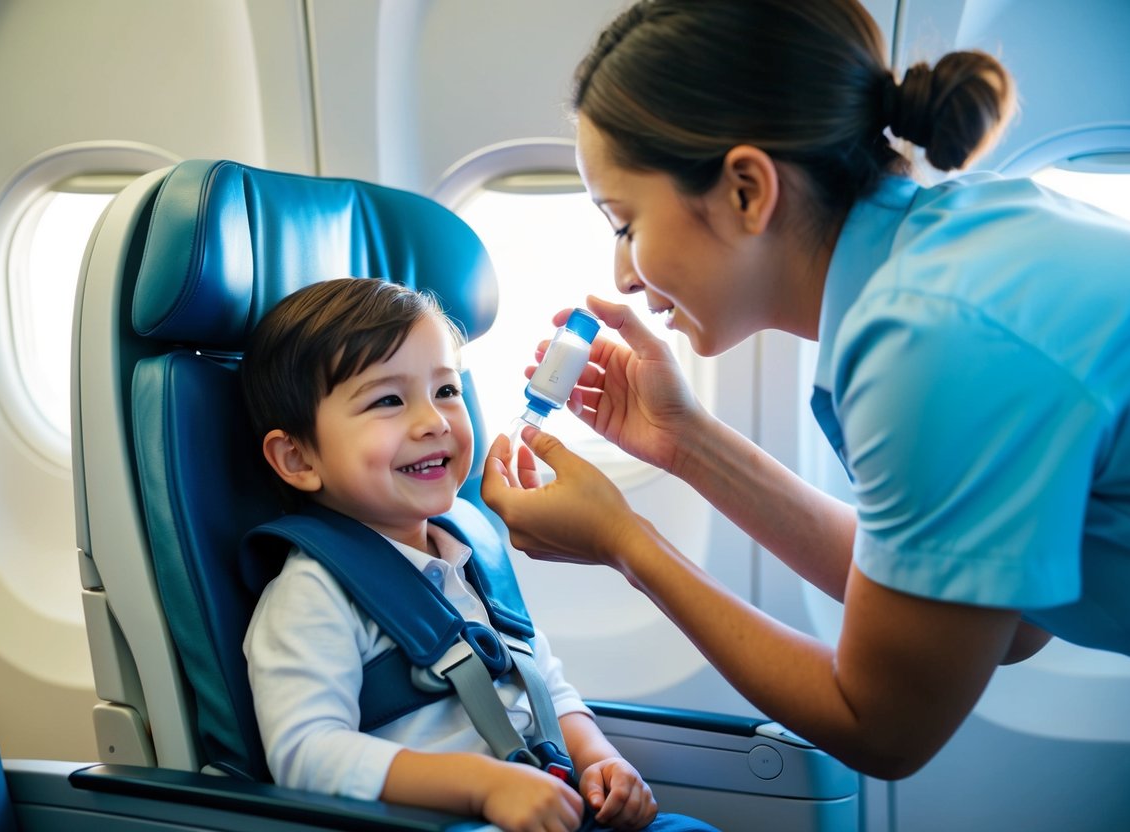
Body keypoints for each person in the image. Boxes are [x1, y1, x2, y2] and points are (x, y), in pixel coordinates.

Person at [481, 0, 1130, 781]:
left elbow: (883, 729)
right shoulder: (954, 251)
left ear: (747, 190)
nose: (621, 272)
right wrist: (686, 443)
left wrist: (627, 544)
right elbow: (1008, 621)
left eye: (623, 223)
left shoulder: (932, 344)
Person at [240, 278, 713, 832]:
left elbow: (542, 682)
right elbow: (306, 754)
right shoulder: (312, 594)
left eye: (446, 391)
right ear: (297, 458)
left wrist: (598, 758)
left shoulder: (471, 553)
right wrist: (484, 786)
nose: (435, 421)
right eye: (388, 400)